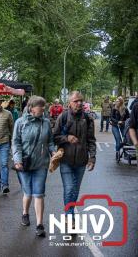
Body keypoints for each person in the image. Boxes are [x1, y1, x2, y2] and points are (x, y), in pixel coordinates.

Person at [12, 95, 55, 237]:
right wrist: (17, 160)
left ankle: (39, 224)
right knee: (28, 192)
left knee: (39, 193)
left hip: (41, 164)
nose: (43, 108)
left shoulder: (46, 123)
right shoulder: (20, 122)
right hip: (24, 164)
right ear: (31, 108)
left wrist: (53, 152)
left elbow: (50, 142)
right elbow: (16, 143)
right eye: (40, 106)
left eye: (44, 106)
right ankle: (25, 213)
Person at [53, 91, 96, 224]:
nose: (79, 103)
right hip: (66, 160)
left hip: (81, 161)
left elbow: (91, 140)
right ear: (69, 103)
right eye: (76, 101)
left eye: (80, 101)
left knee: (75, 190)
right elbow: (54, 137)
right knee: (70, 188)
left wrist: (92, 157)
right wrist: (67, 138)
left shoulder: (88, 118)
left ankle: (69, 211)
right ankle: (69, 215)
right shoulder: (63, 117)